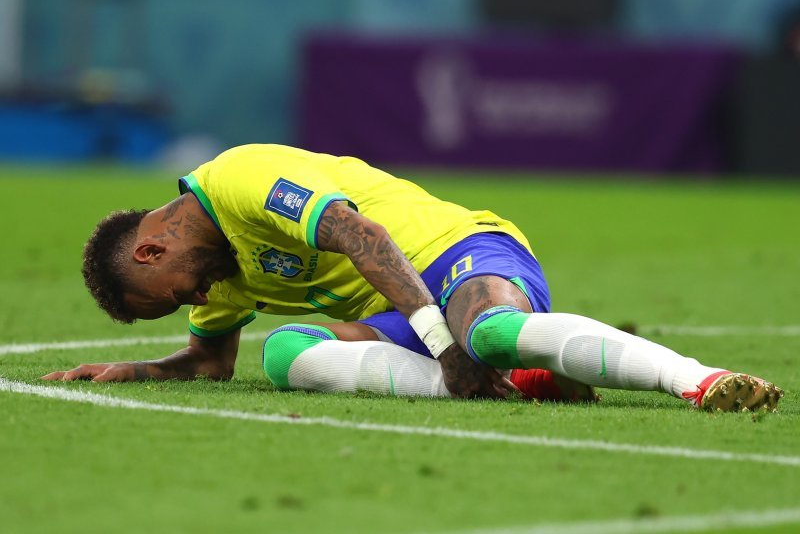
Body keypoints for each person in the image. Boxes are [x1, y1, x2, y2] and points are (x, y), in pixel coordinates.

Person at [43, 144, 783, 412]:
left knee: (486, 331)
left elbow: (363, 237)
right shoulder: (221, 274)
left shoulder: (239, 178)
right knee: (281, 354)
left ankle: (700, 379)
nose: (199, 302)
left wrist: (448, 343)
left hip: (456, 253)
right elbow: (213, 361)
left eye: (176, 294)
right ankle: (511, 381)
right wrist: (136, 367)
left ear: (150, 251)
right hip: (412, 319)